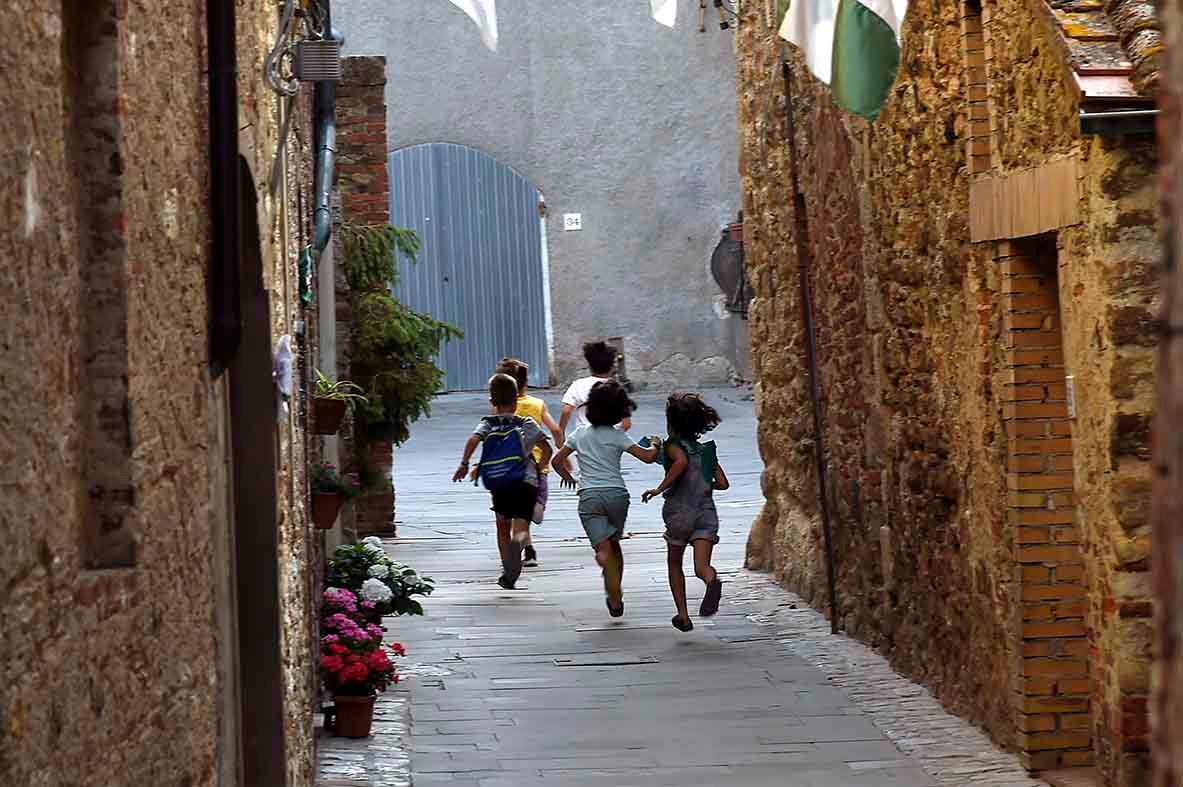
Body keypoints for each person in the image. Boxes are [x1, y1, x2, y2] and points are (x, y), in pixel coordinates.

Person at [552, 381, 660, 618]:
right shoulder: (618, 436)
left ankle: (603, 559)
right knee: (615, 544)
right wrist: (655, 444)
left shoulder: (579, 434)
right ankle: (615, 598)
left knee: (604, 548)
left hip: (590, 497)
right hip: (617, 496)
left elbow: (556, 461)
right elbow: (648, 457)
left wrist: (568, 476)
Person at [452, 373, 552, 590]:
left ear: (492, 402)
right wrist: (540, 469)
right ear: (516, 401)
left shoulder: (488, 424)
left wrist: (464, 463)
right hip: (525, 482)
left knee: (502, 526)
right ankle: (519, 542)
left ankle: (508, 570)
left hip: (500, 483)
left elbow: (473, 439)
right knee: (521, 526)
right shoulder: (526, 423)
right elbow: (547, 448)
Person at [641, 393, 729, 632]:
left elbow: (680, 463)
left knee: (674, 563)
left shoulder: (673, 445)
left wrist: (659, 488)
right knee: (702, 566)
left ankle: (683, 615)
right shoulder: (706, 451)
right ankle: (711, 580)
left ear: (671, 424)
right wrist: (703, 482)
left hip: (680, 513)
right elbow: (723, 483)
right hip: (706, 513)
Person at [494, 357, 564, 567]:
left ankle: (521, 553)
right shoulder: (537, 404)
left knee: (514, 515)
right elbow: (555, 430)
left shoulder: (499, 408)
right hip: (537, 466)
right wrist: (563, 452)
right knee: (524, 512)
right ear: (525, 383)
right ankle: (536, 509)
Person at [559, 341, 632, 436]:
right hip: (611, 436)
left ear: (589, 366)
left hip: (584, 436)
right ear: (612, 367)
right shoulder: (617, 389)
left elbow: (566, 411)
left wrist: (561, 433)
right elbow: (626, 424)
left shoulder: (578, 385)